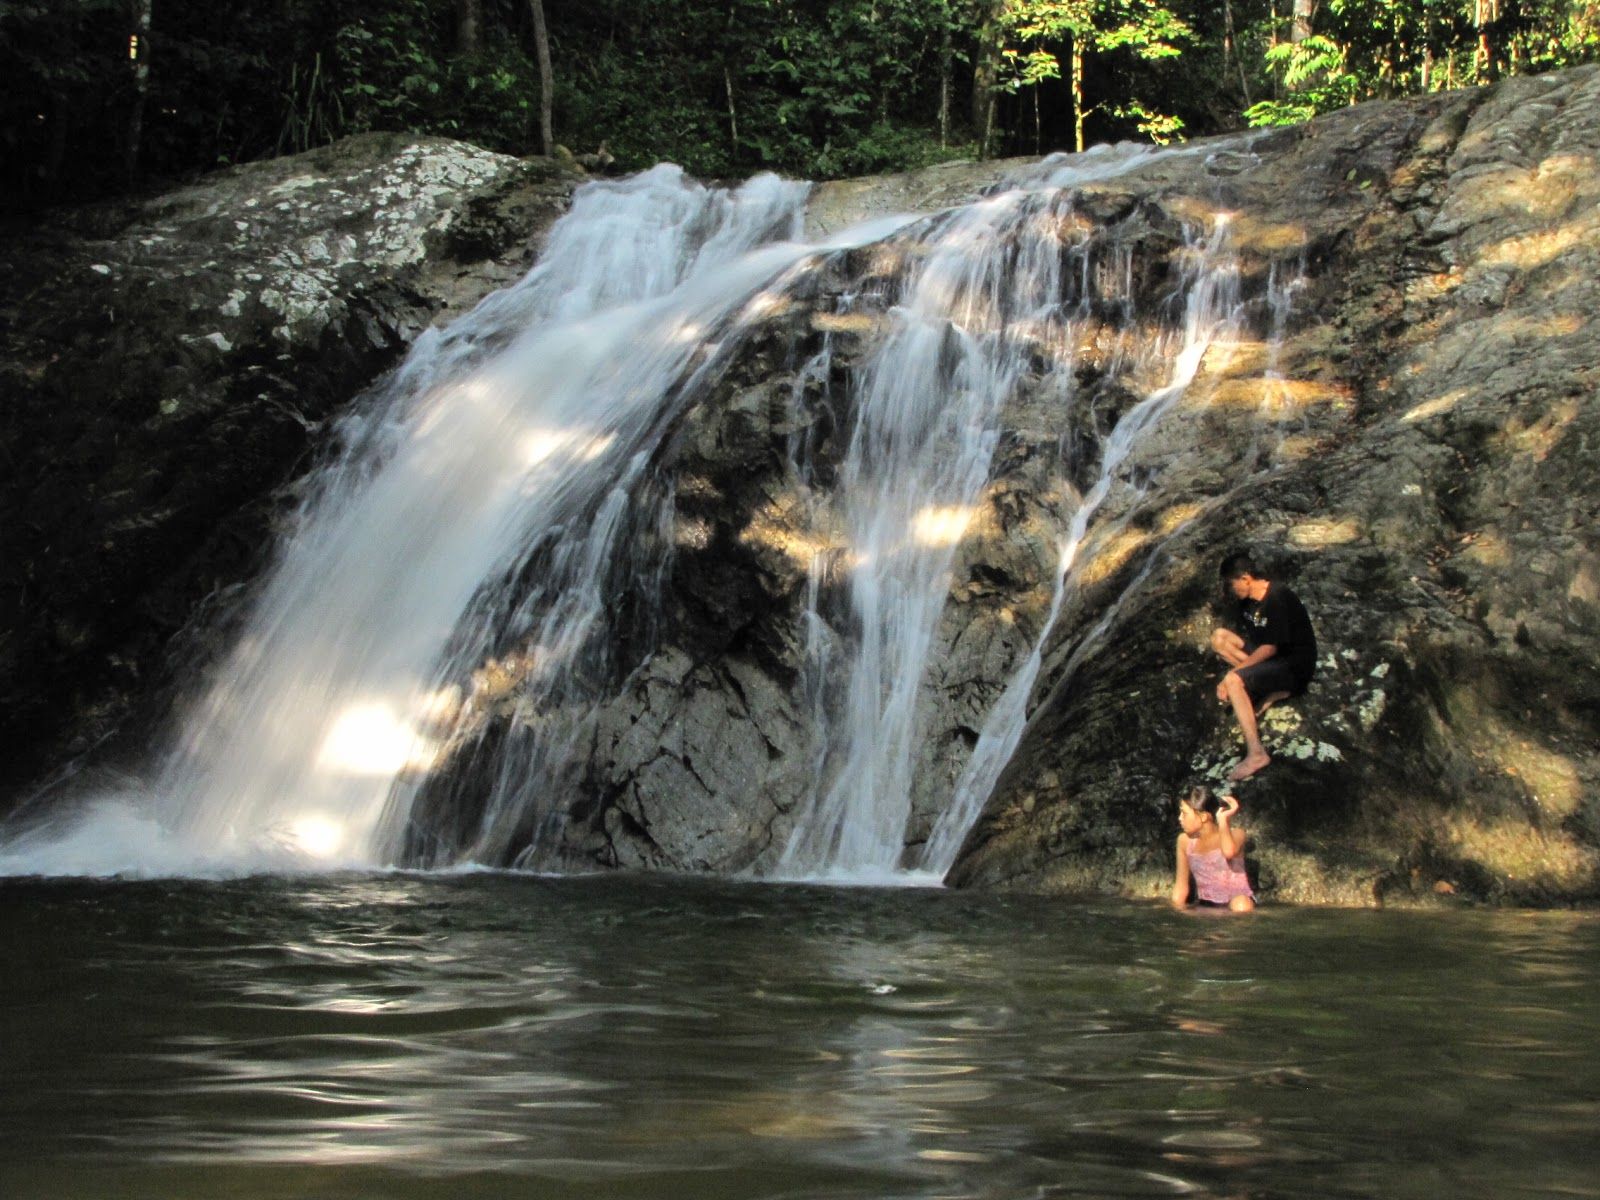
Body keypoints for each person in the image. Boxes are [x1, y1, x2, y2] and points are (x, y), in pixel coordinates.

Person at [1209, 551, 1317, 781]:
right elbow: (1258, 645)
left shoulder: (1278, 597)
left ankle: (1256, 753)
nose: (1230, 590)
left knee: (1233, 680)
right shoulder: (1247, 603)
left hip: (1293, 667)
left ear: (1246, 578)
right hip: (1273, 661)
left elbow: (1270, 648)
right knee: (1220, 638)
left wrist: (1235, 673)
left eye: (1231, 584)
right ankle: (1257, 689)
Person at [1172, 787, 1255, 912]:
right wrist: (1176, 911)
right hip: (1206, 906)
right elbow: (1181, 886)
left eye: (1184, 813)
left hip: (1237, 904)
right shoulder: (1184, 841)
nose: (1180, 818)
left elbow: (1228, 852)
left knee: (1241, 904)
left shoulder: (1237, 834)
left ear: (1203, 817)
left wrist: (1223, 819)